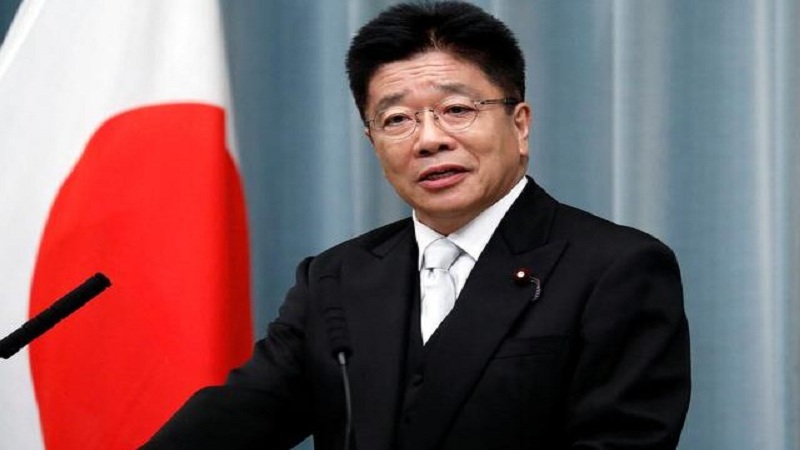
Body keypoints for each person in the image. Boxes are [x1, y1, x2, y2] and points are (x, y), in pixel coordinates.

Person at [144, 1, 690, 449]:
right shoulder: (336, 278)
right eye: (397, 119)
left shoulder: (616, 268)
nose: (429, 139)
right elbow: (242, 416)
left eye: (457, 110)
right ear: (372, 142)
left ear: (520, 124)